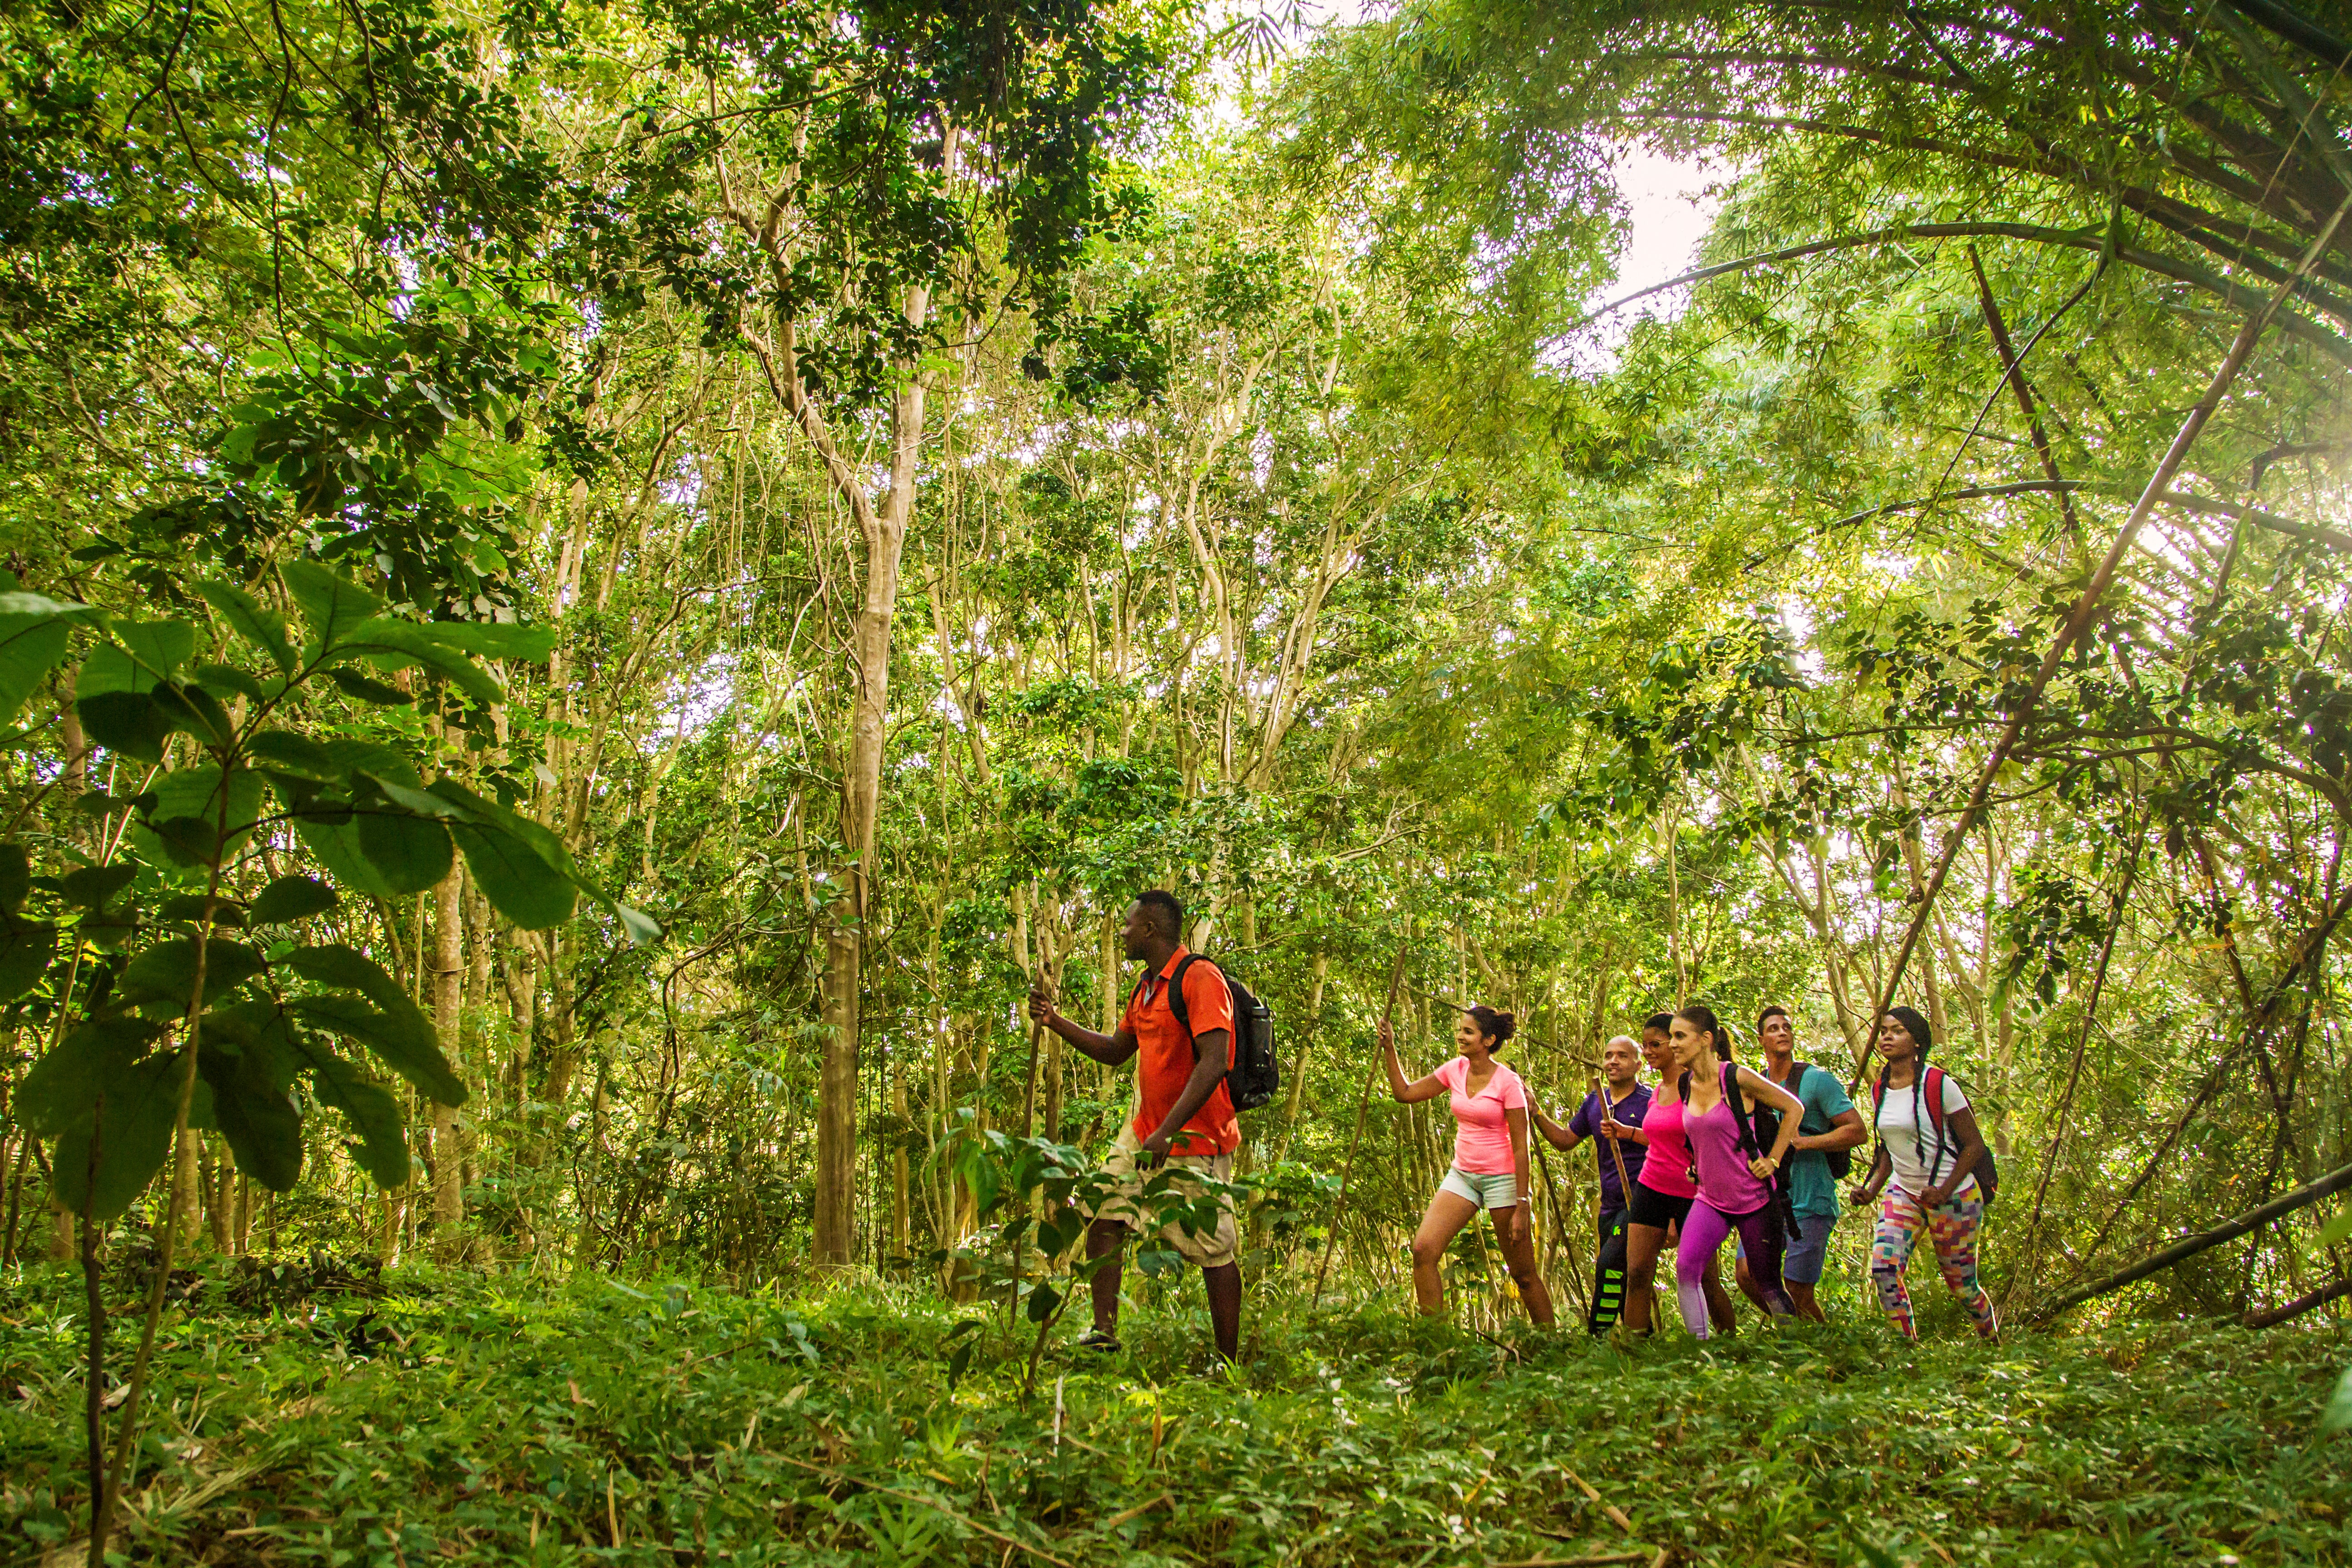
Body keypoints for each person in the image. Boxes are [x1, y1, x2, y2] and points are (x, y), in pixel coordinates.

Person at [1027, 889, 1241, 1361]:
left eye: (1128, 925)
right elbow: (1116, 1052)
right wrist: (1053, 1020)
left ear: (1150, 929)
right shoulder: (1143, 989)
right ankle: (1104, 1335)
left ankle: (1229, 1362)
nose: (1122, 932)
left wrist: (1169, 1129)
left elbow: (1215, 1061)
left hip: (1196, 1137)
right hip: (1142, 1132)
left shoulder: (1200, 978)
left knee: (1214, 1248)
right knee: (1104, 1216)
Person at [1380, 1004, 1556, 1327]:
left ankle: (1552, 1345)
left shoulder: (1508, 1083)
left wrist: (1522, 1204)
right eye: (1461, 1030)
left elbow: (1522, 1147)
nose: (1460, 1037)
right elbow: (1404, 1094)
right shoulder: (1455, 1070)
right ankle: (1435, 1341)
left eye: (1468, 1032)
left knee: (1524, 1274)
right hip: (1463, 1175)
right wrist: (1390, 1049)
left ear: (1488, 1040)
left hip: (1503, 1178)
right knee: (1423, 1251)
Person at [1848, 1006, 1998, 1342]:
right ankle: (1907, 1354)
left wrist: (1943, 1191)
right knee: (1884, 1269)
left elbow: (1974, 1146)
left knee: (1963, 1288)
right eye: (1884, 1030)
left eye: (1897, 1031)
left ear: (1917, 1042)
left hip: (1955, 1197)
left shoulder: (1939, 1084)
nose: (1887, 1037)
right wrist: (1872, 1189)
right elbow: (1889, 1147)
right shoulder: (1880, 1088)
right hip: (1904, 1192)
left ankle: (1993, 1345)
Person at [1670, 1004, 1806, 1338]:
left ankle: (1800, 1348)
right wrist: (1696, 1165)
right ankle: (1700, 1352)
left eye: (1679, 1036)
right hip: (1710, 1200)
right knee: (1687, 1269)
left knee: (1768, 1283)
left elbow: (1793, 1108)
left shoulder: (1737, 1077)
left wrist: (1772, 1159)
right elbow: (1701, 1134)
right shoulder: (1685, 1083)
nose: (1673, 1044)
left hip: (1755, 1200)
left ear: (1704, 1040)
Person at [1733, 1005, 1867, 1321]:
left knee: (1798, 1288)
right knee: (1747, 1273)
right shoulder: (1755, 1084)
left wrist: (1802, 1143)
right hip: (1767, 1201)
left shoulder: (1818, 1081)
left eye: (1786, 1027)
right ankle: (1792, 1333)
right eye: (1773, 1028)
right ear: (1761, 1039)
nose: (1782, 1032)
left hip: (1811, 1199)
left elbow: (1857, 1131)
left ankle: (1822, 1349)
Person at [1619, 1013, 1737, 1337]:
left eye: (1656, 1044)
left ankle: (1729, 1343)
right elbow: (1660, 1138)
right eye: (1645, 1046)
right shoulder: (1657, 1090)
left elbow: (1705, 1141)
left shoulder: (1697, 1086)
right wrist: (1628, 1133)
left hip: (1694, 1193)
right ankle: (1634, 1350)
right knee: (1638, 1272)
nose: (1649, 1051)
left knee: (1706, 1277)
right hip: (1651, 1186)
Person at [1533, 1034, 1649, 1331]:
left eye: (1622, 1055)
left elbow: (1671, 1143)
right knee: (1621, 1274)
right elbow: (1564, 1141)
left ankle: (1599, 1334)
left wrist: (1629, 1133)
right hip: (1610, 1202)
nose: (1613, 1061)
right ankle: (1642, 1338)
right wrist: (1536, 1113)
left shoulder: (1650, 1101)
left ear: (1637, 1064)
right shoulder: (1596, 1102)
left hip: (1640, 1198)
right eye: (1609, 1055)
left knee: (1610, 1264)